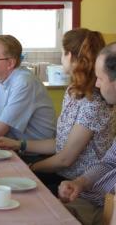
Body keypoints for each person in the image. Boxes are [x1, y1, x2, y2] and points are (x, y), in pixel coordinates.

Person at [0, 29, 114, 195]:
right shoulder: (74, 92)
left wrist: (30, 168)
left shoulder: (93, 102)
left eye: (62, 53)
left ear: (70, 56)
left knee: (11, 187)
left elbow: (65, 159)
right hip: (65, 177)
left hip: (83, 188)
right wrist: (19, 144)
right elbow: (60, 143)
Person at [58, 42, 116, 225]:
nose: (97, 84)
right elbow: (109, 162)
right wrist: (80, 182)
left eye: (100, 78)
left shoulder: (94, 104)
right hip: (93, 199)